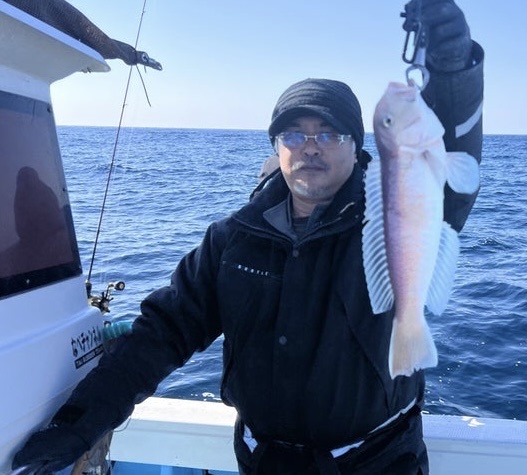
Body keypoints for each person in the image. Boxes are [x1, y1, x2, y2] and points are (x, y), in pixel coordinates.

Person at [12, 0, 484, 473]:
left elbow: (449, 160)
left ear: (356, 146)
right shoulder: (232, 239)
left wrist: (451, 63)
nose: (310, 147)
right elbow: (162, 333)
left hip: (379, 461)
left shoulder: (396, 215)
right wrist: (81, 423)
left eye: (329, 133)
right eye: (294, 134)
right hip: (264, 462)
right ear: (277, 147)